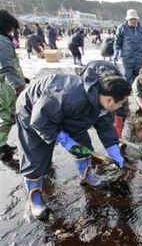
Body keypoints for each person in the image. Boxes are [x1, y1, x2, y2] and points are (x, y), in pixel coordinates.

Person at [16, 66, 131, 220]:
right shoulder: (69, 96)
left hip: (68, 114)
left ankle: (87, 176)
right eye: (120, 103)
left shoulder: (100, 99)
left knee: (83, 147)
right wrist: (64, 139)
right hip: (33, 113)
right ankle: (35, 199)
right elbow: (40, 121)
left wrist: (113, 148)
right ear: (109, 99)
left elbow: (104, 125)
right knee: (36, 158)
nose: (121, 107)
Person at [0, 9, 26, 159]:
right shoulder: (2, 41)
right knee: (24, 114)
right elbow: (7, 68)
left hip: (2, 85)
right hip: (7, 87)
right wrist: (19, 87)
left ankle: (1, 144)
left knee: (5, 115)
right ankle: (35, 144)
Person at [113, 9, 142, 85]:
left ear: (137, 19)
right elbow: (117, 42)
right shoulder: (121, 28)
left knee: (139, 78)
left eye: (135, 19)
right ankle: (128, 95)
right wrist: (116, 54)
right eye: (131, 19)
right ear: (127, 19)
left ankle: (136, 95)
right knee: (127, 77)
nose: (133, 21)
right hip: (126, 58)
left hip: (139, 59)